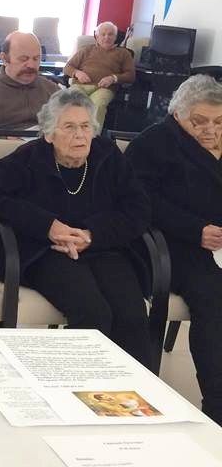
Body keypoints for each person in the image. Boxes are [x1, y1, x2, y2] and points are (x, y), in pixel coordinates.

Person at [0, 88, 152, 368]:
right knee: (93, 313)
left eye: (85, 126)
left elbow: (139, 209)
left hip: (102, 247)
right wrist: (47, 225)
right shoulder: (28, 158)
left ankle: (133, 389)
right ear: (49, 134)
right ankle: (78, 385)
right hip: (45, 251)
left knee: (132, 316)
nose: (80, 135)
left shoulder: (108, 156)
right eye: (69, 127)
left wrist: (92, 234)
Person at [126, 75, 222, 424]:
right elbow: (139, 200)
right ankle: (217, 402)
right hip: (173, 244)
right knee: (214, 297)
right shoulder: (154, 143)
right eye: (200, 121)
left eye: (219, 121)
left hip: (216, 242)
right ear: (178, 114)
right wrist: (195, 230)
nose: (210, 129)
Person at [0, 31, 60, 177]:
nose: (31, 65)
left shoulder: (53, 91)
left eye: (36, 58)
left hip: (45, 167)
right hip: (0, 167)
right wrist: (4, 141)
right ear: (4, 59)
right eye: (23, 59)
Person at [64, 21, 135, 127]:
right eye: (103, 34)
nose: (107, 37)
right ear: (97, 37)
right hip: (80, 85)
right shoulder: (86, 50)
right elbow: (67, 67)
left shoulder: (124, 53)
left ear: (115, 37)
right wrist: (77, 73)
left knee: (97, 105)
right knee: (72, 101)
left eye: (110, 34)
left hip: (104, 89)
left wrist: (113, 78)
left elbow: (131, 76)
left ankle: (92, 136)